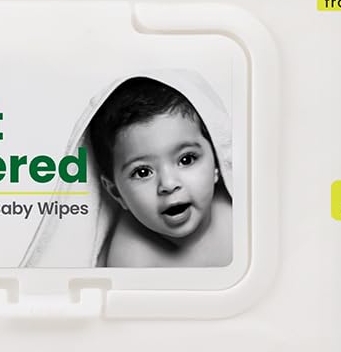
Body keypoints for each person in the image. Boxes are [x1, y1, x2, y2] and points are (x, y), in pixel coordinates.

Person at [88, 76, 233, 267]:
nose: (169, 184)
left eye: (186, 159)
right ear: (117, 193)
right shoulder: (132, 261)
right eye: (142, 172)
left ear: (217, 161)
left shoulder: (240, 214)